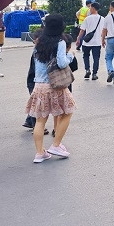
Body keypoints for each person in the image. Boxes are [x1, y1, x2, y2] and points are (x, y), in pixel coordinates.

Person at [25, 14, 75, 163]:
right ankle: (56, 145)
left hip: (39, 86)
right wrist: (70, 57)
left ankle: (40, 153)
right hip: (54, 86)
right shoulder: (59, 42)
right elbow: (61, 63)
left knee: (40, 121)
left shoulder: (39, 43)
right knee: (68, 111)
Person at [77, 1, 104, 80]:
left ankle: (87, 69)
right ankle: (94, 74)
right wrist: (103, 40)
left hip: (87, 42)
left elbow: (82, 30)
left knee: (86, 56)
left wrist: (78, 39)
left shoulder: (87, 19)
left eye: (90, 8)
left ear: (92, 8)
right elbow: (104, 31)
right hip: (97, 42)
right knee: (96, 58)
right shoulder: (102, 19)